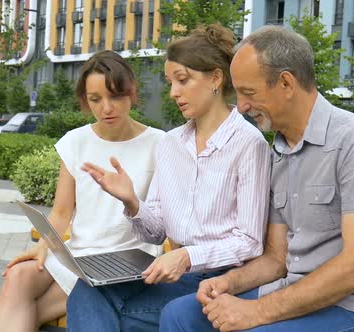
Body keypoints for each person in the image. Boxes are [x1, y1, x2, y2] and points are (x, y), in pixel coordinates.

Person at [160, 25, 354, 332]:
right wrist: (227, 282)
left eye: (249, 93)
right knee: (180, 315)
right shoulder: (279, 152)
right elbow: (276, 259)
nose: (241, 106)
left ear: (287, 83)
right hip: (291, 291)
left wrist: (257, 312)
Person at [66, 24, 271, 331]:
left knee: (123, 314)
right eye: (170, 82)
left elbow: (250, 242)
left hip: (226, 282)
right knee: (87, 291)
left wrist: (187, 256)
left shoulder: (249, 144)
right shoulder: (171, 143)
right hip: (178, 276)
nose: (174, 92)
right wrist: (133, 202)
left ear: (216, 78)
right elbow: (156, 231)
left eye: (183, 80)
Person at [0, 50, 165, 332]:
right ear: (85, 100)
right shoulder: (75, 142)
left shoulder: (160, 144)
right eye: (95, 99)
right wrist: (42, 247)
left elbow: (163, 220)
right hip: (77, 257)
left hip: (124, 265)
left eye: (115, 96)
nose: (106, 107)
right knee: (18, 275)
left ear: (131, 92)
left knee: (28, 311)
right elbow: (61, 214)